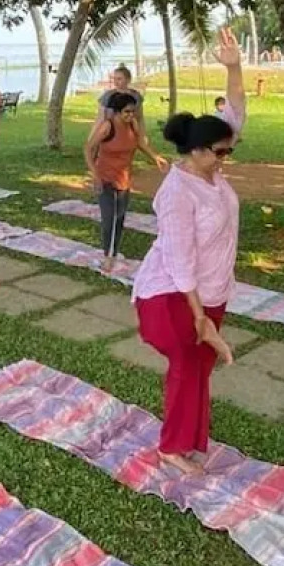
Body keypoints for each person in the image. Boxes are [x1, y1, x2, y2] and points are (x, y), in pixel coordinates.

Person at [130, 28, 246, 476]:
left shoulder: (211, 171)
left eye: (228, 151)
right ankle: (172, 448)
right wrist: (200, 320)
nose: (225, 158)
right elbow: (179, 263)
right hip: (172, 294)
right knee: (186, 364)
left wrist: (233, 67)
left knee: (200, 367)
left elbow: (234, 113)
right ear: (195, 151)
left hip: (212, 289)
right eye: (219, 153)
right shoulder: (177, 192)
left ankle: (192, 438)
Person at [85, 90, 166, 274]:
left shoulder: (132, 125)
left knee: (119, 218)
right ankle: (108, 257)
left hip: (124, 178)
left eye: (132, 112)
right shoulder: (107, 127)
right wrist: (95, 174)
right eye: (126, 112)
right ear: (117, 112)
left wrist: (155, 157)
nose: (130, 115)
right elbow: (88, 149)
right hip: (105, 178)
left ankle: (113, 252)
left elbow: (140, 143)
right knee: (109, 219)